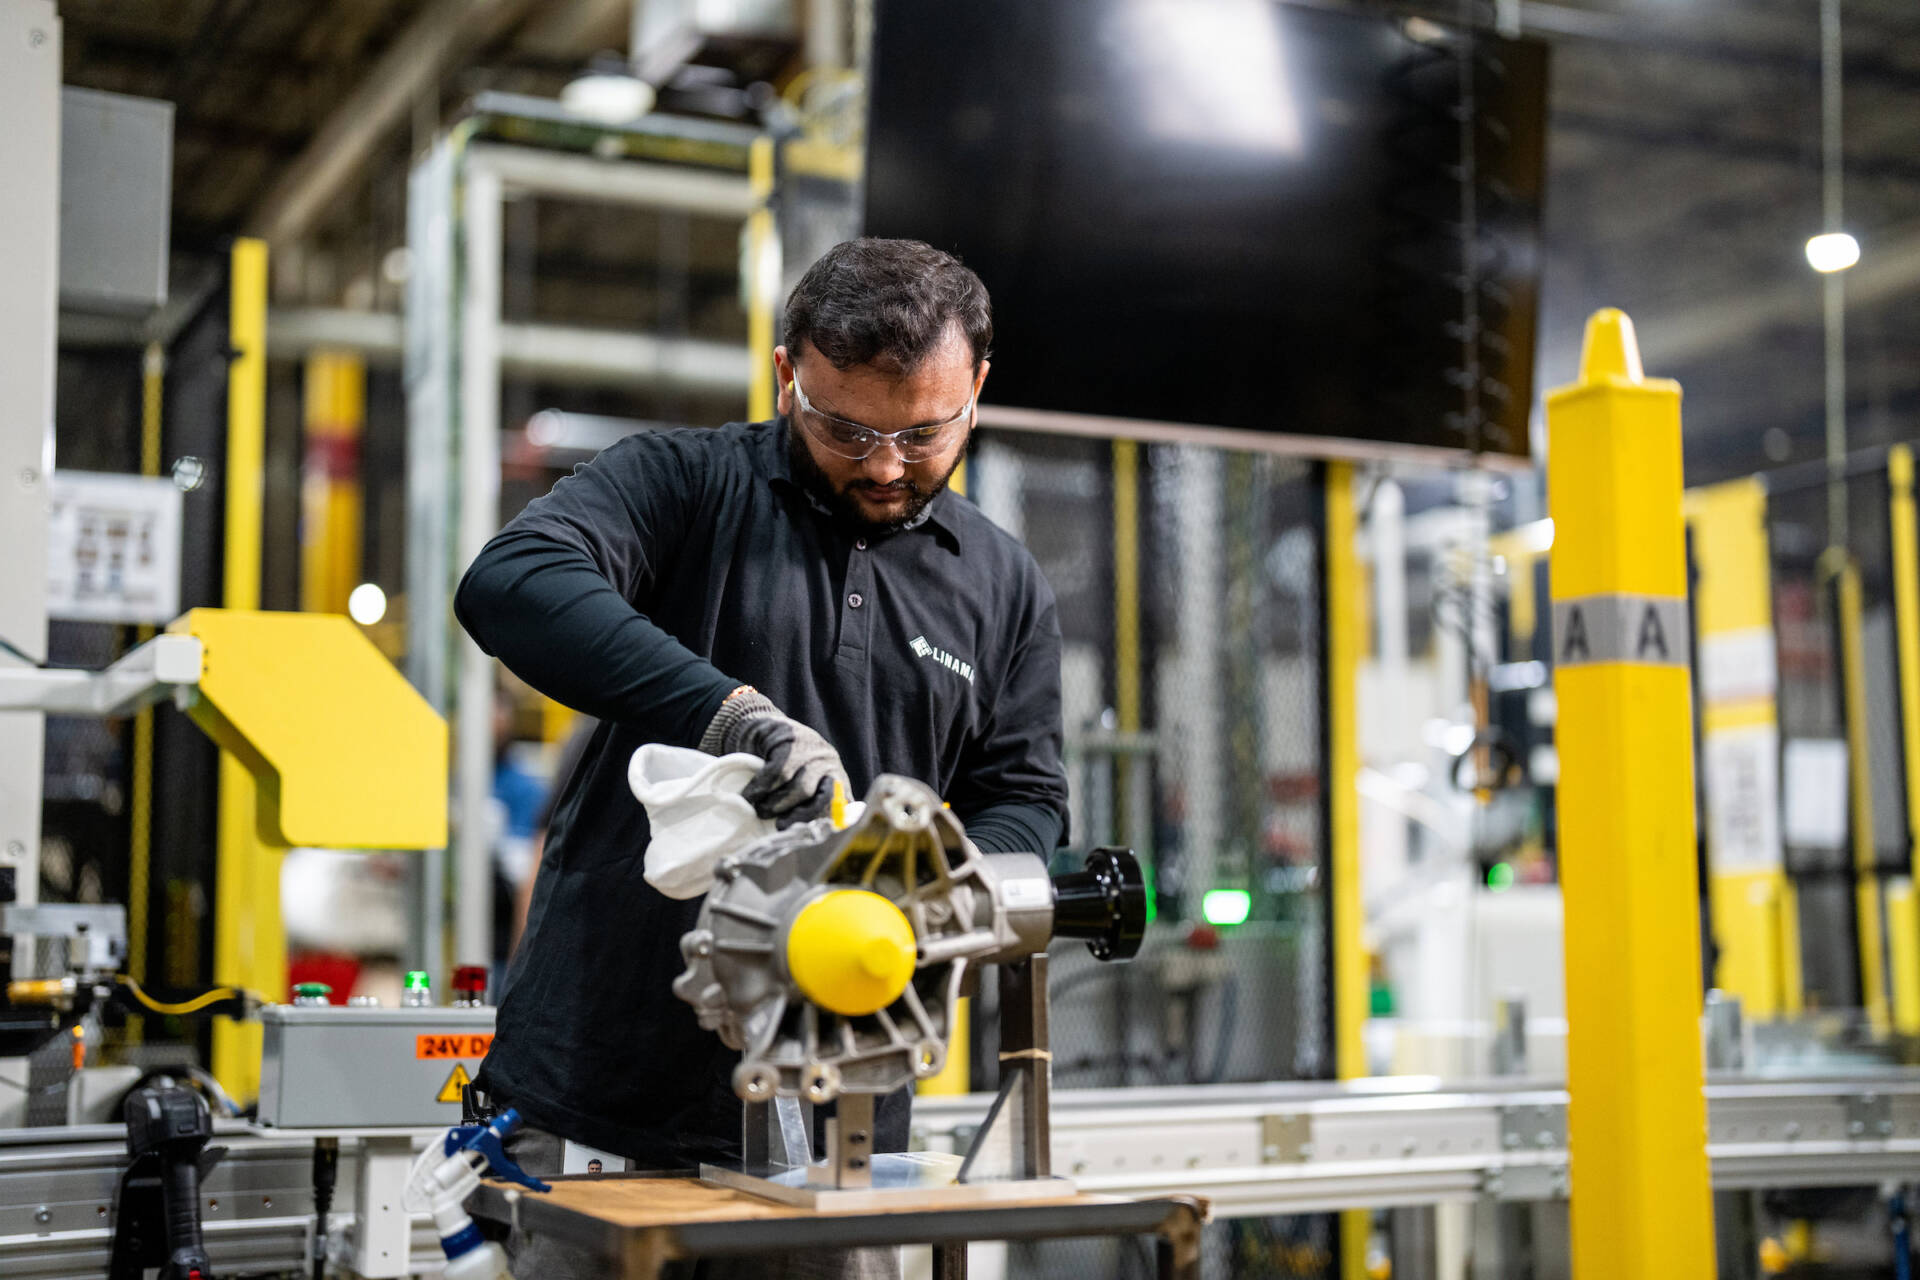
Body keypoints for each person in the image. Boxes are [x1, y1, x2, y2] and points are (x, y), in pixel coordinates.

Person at [454, 238, 1069, 1280]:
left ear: (979, 389)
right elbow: (511, 581)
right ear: (787, 375)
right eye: (847, 426)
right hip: (600, 1105)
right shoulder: (685, 487)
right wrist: (730, 712)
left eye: (925, 431)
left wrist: (918, 886)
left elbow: (1023, 798)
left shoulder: (1002, 583)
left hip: (842, 1133)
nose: (885, 464)